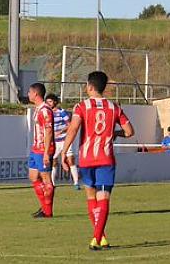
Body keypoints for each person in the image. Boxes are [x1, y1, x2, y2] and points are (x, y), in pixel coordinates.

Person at [61, 71, 134, 251]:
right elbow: (130, 131)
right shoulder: (114, 107)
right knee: (104, 198)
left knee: (91, 197)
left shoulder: (81, 106)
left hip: (86, 159)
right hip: (106, 158)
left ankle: (100, 237)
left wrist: (63, 152)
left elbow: (73, 129)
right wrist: (115, 133)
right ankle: (97, 237)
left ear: (90, 86)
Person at [27, 83, 55, 218]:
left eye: (29, 92)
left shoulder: (45, 110)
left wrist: (45, 153)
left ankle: (47, 212)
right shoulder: (38, 109)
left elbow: (49, 131)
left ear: (35, 94)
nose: (28, 94)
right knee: (33, 177)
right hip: (35, 148)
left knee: (47, 181)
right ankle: (44, 207)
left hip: (44, 149)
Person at [46, 94, 80, 190]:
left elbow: (70, 125)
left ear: (55, 102)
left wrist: (60, 131)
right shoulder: (47, 113)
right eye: (47, 102)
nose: (48, 103)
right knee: (53, 161)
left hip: (65, 140)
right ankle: (52, 184)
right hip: (55, 141)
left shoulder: (61, 112)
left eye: (50, 101)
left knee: (70, 160)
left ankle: (76, 183)